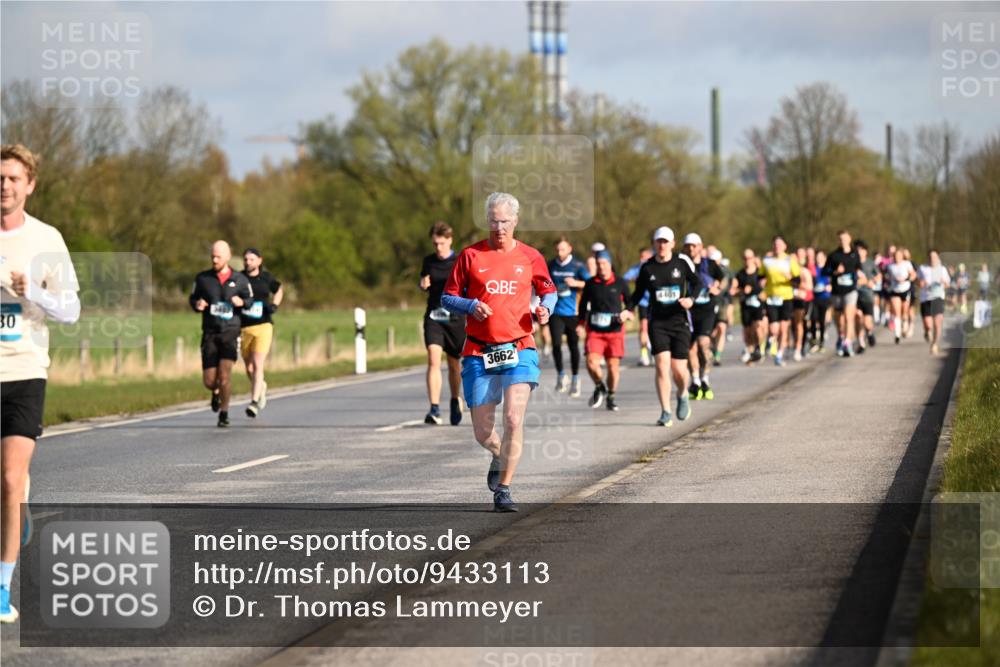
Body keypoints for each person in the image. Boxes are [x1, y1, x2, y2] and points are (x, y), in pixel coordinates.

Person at [1, 144, 81, 624]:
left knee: (10, 479)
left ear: (29, 185)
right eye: (0, 178)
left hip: (25, 371)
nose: (5, 186)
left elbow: (71, 310)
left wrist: (33, 290)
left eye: (13, 178)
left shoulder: (46, 238)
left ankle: (2, 588)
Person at [440, 192, 556, 512]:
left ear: (515, 220)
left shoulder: (531, 256)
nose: (499, 227)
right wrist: (470, 305)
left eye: (504, 221)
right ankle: (496, 453)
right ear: (487, 220)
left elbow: (549, 291)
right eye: (493, 221)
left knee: (513, 419)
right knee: (482, 432)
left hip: (520, 347)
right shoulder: (470, 256)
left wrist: (545, 308)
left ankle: (504, 489)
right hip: (479, 351)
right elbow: (447, 297)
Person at [627, 226, 700, 426]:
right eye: (659, 241)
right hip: (657, 323)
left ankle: (682, 393)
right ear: (654, 243)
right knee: (661, 366)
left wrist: (691, 299)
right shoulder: (647, 267)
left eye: (665, 241)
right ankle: (665, 411)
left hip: (679, 321)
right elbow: (638, 293)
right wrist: (628, 309)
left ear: (672, 244)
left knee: (679, 370)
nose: (662, 245)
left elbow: (698, 283)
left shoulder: (681, 262)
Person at [190, 240, 253, 427]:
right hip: (210, 332)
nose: (215, 260)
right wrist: (197, 304)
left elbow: (250, 300)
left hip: (230, 332)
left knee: (225, 376)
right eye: (213, 257)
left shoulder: (240, 279)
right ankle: (215, 391)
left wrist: (242, 302)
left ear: (227, 256)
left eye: (218, 257)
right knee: (210, 381)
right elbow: (193, 298)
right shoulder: (203, 279)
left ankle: (224, 413)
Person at [419, 222, 466, 425]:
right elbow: (423, 281)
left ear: (450, 240)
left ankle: (455, 398)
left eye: (442, 243)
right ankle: (434, 409)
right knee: (433, 360)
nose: (438, 248)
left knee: (454, 365)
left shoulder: (460, 261)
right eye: (435, 244)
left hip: (455, 319)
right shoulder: (428, 261)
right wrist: (423, 284)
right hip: (434, 317)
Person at [577, 251, 633, 411]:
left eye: (604, 264)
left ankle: (611, 396)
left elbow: (630, 303)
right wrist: (580, 323)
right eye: (598, 264)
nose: (601, 267)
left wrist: (627, 312)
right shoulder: (590, 283)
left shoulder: (620, 282)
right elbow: (583, 305)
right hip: (595, 331)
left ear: (610, 264)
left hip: (615, 331)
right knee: (591, 363)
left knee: (613, 368)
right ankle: (600, 386)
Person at [240, 248, 282, 418]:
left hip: (263, 325)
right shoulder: (239, 278)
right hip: (244, 327)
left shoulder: (266, 278)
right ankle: (261, 386)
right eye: (246, 259)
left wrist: (275, 305)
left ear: (259, 261)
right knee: (249, 368)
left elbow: (279, 289)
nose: (248, 262)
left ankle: (254, 402)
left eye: (251, 259)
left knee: (258, 364)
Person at [682, 234, 724, 399]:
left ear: (700, 246)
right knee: (689, 348)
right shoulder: (682, 265)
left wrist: (717, 286)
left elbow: (722, 278)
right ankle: (695, 381)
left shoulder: (710, 264)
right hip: (688, 311)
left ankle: (705, 378)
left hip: (706, 309)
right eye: (688, 246)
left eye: (694, 246)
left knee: (703, 344)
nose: (691, 249)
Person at [547, 237, 590, 397]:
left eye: (563, 249)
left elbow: (590, 283)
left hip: (572, 313)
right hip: (556, 312)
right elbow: (543, 282)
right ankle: (561, 375)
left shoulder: (578, 265)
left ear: (569, 248)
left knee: (573, 346)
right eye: (557, 250)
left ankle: (575, 378)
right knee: (556, 345)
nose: (560, 253)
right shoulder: (551, 265)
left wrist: (576, 283)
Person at [759, 235, 801, 366]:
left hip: (786, 297)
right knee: (774, 329)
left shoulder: (789, 260)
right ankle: (772, 341)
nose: (777, 247)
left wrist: (790, 278)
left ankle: (779, 353)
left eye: (779, 244)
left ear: (784, 246)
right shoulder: (767, 261)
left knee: (783, 328)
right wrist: (761, 283)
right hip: (771, 297)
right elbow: (760, 276)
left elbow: (797, 280)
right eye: (775, 244)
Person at [825, 230, 864, 357]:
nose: (843, 241)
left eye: (845, 238)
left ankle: (848, 342)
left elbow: (859, 268)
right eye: (841, 239)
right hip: (837, 291)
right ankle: (841, 336)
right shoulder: (833, 255)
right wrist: (835, 272)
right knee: (839, 320)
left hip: (850, 290)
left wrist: (859, 274)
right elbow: (825, 271)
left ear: (849, 239)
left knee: (849, 316)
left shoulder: (855, 254)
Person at [732, 249, 766, 364]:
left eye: (750, 258)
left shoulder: (759, 273)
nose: (747, 260)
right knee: (747, 331)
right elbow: (733, 290)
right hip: (745, 305)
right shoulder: (740, 274)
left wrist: (762, 292)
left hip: (758, 304)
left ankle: (759, 347)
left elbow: (765, 285)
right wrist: (741, 291)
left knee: (758, 326)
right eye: (745, 258)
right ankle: (751, 352)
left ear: (754, 258)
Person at [623, 247, 654, 367]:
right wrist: (634, 279)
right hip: (643, 302)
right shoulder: (637, 268)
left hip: (656, 303)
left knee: (655, 328)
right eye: (641, 257)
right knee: (643, 327)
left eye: (645, 256)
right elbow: (624, 278)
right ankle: (644, 354)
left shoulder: (656, 267)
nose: (642, 259)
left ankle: (654, 350)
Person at [919, 250, 950, 356]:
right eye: (931, 257)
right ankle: (927, 331)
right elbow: (917, 281)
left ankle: (935, 344)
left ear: (938, 257)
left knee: (937, 322)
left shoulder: (942, 269)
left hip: (938, 297)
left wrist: (943, 282)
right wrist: (921, 283)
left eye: (935, 257)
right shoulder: (923, 268)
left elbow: (948, 284)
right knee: (928, 325)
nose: (933, 259)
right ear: (928, 258)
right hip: (925, 298)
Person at [886, 248, 917, 345]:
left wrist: (906, 279)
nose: (897, 258)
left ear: (902, 256)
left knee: (904, 312)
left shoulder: (907, 264)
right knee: (897, 312)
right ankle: (897, 334)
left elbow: (913, 275)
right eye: (895, 256)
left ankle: (905, 324)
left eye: (899, 256)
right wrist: (888, 281)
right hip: (895, 290)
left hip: (905, 289)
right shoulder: (890, 266)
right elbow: (887, 276)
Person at [709, 249, 733, 366]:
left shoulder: (725, 271)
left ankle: (717, 356)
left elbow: (726, 284)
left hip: (722, 302)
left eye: (716, 260)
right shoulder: (706, 270)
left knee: (721, 327)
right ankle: (712, 347)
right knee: (711, 332)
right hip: (709, 303)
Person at [790, 247, 814, 361]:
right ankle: (796, 344)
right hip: (789, 298)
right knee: (792, 324)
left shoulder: (804, 271)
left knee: (800, 323)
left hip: (802, 299)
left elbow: (809, 287)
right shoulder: (789, 270)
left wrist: (796, 285)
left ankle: (799, 347)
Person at [855, 240, 878, 352]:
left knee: (867, 322)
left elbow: (878, 275)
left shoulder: (870, 263)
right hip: (855, 295)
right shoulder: (853, 263)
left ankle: (869, 332)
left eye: (861, 250)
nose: (859, 252)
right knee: (858, 318)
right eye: (857, 250)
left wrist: (872, 281)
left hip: (867, 295)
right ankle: (861, 343)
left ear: (865, 251)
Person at [810, 250, 832, 352]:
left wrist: (830, 286)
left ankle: (822, 342)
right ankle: (814, 341)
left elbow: (832, 280)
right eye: (817, 257)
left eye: (820, 257)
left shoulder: (828, 269)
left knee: (822, 320)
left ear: (824, 258)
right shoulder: (813, 269)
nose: (818, 259)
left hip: (825, 297)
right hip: (814, 297)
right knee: (813, 319)